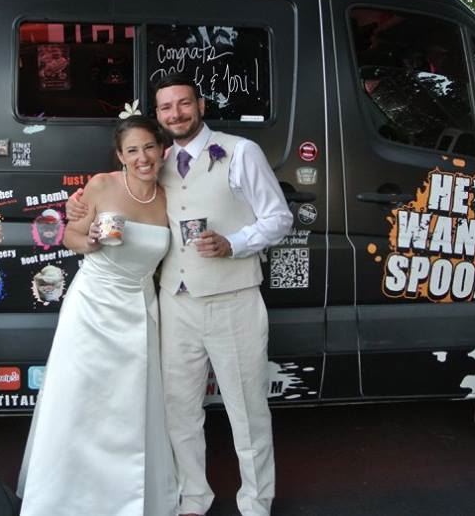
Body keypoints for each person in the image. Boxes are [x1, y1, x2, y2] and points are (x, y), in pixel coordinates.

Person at [67, 72, 293, 516]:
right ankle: (193, 497)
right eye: (167, 107)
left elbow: (279, 218)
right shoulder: (158, 161)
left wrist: (235, 243)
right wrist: (80, 204)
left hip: (233, 300)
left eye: (184, 103)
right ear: (158, 115)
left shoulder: (240, 152)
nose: (176, 113)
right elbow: (118, 190)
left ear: (200, 105)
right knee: (179, 411)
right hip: (175, 302)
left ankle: (255, 502)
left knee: (247, 411)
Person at [17, 115, 178, 516]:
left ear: (162, 150)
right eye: (132, 150)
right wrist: (87, 240)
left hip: (140, 308)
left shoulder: (171, 195)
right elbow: (70, 235)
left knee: (130, 406)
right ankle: (65, 500)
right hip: (92, 306)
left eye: (149, 147)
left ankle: (130, 500)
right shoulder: (102, 185)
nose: (142, 157)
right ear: (120, 156)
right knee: (81, 402)